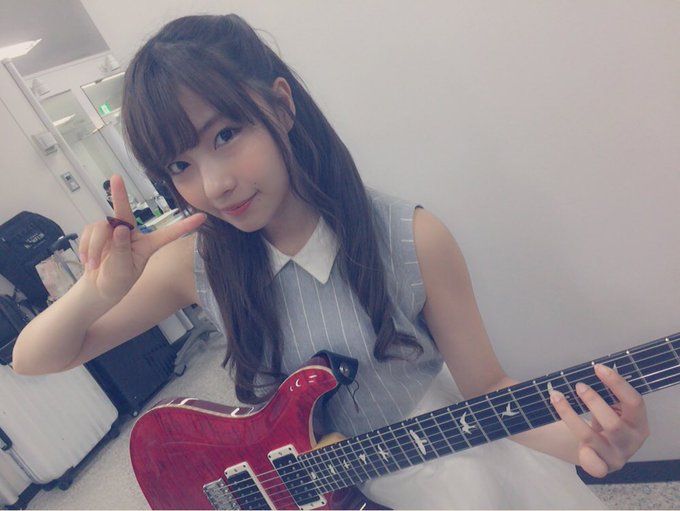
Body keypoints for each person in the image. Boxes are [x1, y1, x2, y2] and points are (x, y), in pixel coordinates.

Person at [13, 14, 649, 509]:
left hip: (448, 474)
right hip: (309, 493)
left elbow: (487, 390)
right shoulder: (197, 265)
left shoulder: (412, 238)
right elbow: (33, 358)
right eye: (180, 165)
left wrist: (590, 440)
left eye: (226, 135)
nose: (214, 184)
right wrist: (98, 291)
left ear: (281, 106)